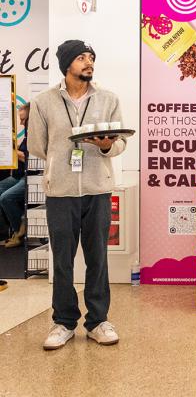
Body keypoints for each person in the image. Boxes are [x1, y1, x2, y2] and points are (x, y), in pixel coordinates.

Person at [28, 40, 126, 350]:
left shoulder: (108, 99)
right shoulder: (43, 102)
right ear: (66, 64)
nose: (89, 62)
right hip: (60, 191)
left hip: (98, 189)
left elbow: (120, 142)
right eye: (81, 57)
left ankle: (98, 321)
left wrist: (107, 146)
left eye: (91, 57)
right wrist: (60, 160)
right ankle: (63, 322)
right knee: (62, 260)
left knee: (98, 258)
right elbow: (37, 146)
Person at [1, 103, 30, 249]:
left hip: (29, 177)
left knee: (6, 198)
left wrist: (10, 149)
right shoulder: (26, 134)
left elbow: (27, 158)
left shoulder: (36, 134)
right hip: (18, 176)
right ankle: (11, 229)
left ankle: (20, 232)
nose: (21, 123)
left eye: (23, 119)